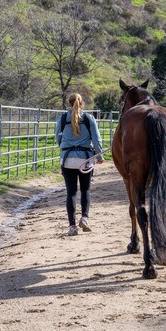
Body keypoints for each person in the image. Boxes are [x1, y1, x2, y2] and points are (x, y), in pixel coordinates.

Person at [55, 93, 104, 236]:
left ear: (68, 104)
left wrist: (65, 147)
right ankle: (85, 218)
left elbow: (58, 138)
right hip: (86, 159)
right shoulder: (89, 118)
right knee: (85, 190)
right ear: (82, 103)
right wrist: (99, 155)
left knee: (71, 192)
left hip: (67, 159)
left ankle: (72, 226)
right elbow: (96, 139)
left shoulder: (62, 118)